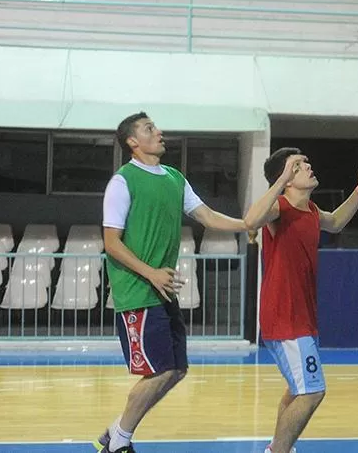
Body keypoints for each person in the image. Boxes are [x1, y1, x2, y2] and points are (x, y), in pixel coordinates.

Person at [95, 112, 251, 453]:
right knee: (161, 371)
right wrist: (150, 272)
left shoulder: (174, 178)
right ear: (132, 142)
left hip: (162, 291)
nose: (159, 132)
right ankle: (118, 443)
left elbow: (207, 216)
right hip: (138, 292)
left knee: (177, 370)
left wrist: (246, 224)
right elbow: (111, 242)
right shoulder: (123, 182)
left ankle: (115, 433)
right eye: (149, 129)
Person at [243, 147, 358, 453]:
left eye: (306, 162)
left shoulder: (312, 211)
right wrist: (279, 181)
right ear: (286, 177)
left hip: (302, 316)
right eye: (299, 165)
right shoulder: (278, 208)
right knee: (312, 391)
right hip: (285, 317)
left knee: (296, 390)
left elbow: (335, 222)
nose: (308, 166)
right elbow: (251, 220)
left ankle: (280, 448)